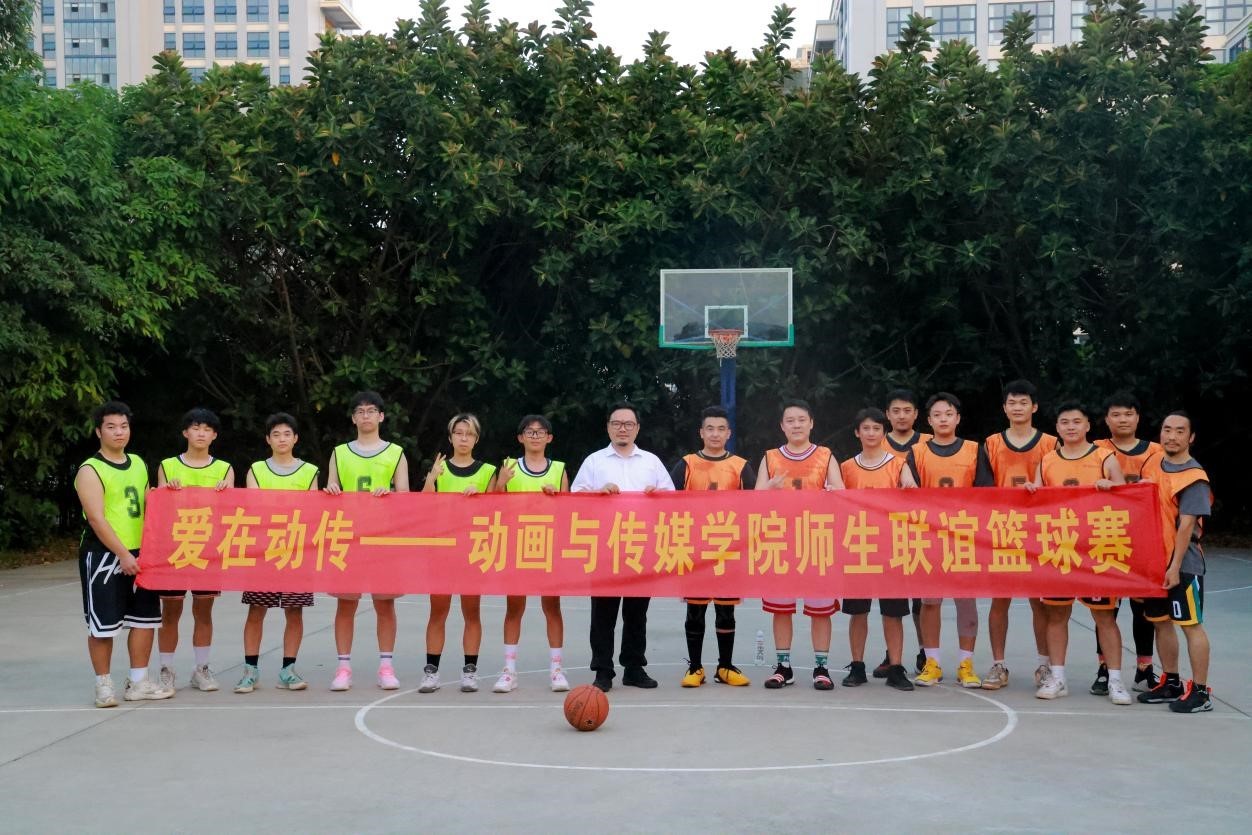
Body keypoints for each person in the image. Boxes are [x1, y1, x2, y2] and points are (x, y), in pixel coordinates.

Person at [1028, 402, 1130, 705]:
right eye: (1064, 422)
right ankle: (1058, 677)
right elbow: (1035, 503)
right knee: (1057, 615)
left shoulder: (1104, 457)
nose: (1070, 427)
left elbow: (1129, 500)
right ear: (1057, 428)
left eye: (1076, 421)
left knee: (1105, 617)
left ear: (1087, 425)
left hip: (1097, 548)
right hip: (1059, 548)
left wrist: (1113, 487)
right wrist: (1031, 492)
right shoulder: (1047, 461)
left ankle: (1115, 680)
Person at [74, 401, 173, 707]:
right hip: (104, 554)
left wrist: (171, 494)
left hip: (142, 553)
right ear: (98, 432)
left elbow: (148, 503)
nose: (119, 432)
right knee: (104, 624)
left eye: (124, 426)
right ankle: (104, 685)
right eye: (111, 427)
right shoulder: (90, 470)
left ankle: (139, 682)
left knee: (145, 619)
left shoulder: (139, 463)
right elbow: (96, 519)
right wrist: (122, 554)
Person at [571, 402, 675, 692]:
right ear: (608, 427)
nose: (622, 429)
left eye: (629, 424)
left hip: (641, 546)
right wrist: (598, 492)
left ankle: (634, 668)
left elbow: (673, 499)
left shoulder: (651, 462)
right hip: (605, 547)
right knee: (602, 615)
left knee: (636, 613)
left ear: (637, 428)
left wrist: (657, 494)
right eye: (617, 423)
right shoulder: (594, 462)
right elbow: (575, 498)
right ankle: (603, 670)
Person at [757, 398, 845, 691]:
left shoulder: (825, 456)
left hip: (817, 540)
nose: (796, 425)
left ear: (811, 423)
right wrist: (768, 489)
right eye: (790, 420)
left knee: (820, 609)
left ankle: (821, 667)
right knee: (781, 608)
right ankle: (783, 666)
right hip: (781, 541)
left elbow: (842, 494)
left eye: (801, 420)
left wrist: (833, 494)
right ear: (782, 426)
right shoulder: (770, 457)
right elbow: (753, 500)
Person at [325, 391, 410, 691]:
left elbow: (405, 497)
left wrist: (391, 496)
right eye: (360, 411)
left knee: (384, 604)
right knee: (346, 604)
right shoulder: (339, 452)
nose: (366, 416)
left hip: (382, 539)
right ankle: (343, 667)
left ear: (381, 416)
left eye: (371, 411)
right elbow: (330, 490)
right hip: (348, 538)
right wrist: (331, 492)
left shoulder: (395, 452)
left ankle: (386, 666)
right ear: (353, 418)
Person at [906, 392, 989, 688]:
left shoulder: (973, 450)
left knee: (966, 602)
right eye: (937, 415)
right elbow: (909, 495)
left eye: (948, 414)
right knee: (930, 602)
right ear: (929, 421)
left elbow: (985, 494)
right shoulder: (917, 452)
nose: (943, 419)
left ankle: (966, 664)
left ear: (958, 418)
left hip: (964, 537)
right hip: (929, 538)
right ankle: (932, 663)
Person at [669, 406, 756, 688]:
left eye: (721, 429)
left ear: (729, 433)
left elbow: (757, 506)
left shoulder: (741, 466)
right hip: (694, 550)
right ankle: (695, 667)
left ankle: (725, 667)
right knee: (695, 610)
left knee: (725, 610)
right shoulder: (686, 465)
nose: (715, 434)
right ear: (701, 432)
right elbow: (666, 503)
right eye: (710, 428)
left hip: (728, 550)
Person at [234, 413, 320, 694]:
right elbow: (255, 508)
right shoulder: (257, 469)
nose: (282, 439)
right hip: (264, 551)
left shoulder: (310, 471)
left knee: (294, 611)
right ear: (268, 439)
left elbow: (312, 512)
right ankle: (250, 671)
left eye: (287, 434)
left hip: (296, 551)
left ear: (295, 438)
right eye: (276, 434)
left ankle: (288, 670)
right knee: (256, 610)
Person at [978, 381, 1056, 692]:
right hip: (1003, 530)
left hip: (1039, 532)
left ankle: (1044, 664)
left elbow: (1057, 485)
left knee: (1040, 602)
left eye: (1024, 402)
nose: (1018, 407)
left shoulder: (1050, 444)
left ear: (1034, 407)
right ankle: (998, 664)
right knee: (1000, 600)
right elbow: (984, 488)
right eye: (1012, 403)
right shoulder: (992, 443)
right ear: (1004, 408)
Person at [1137, 412, 1214, 713]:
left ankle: (1202, 692)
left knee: (1190, 625)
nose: (1172, 436)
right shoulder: (1153, 462)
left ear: (1190, 437)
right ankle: (1171, 681)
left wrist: (1173, 567)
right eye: (1167, 429)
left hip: (1183, 564)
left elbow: (1186, 526)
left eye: (1180, 431)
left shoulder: (1194, 477)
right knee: (1160, 622)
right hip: (1153, 559)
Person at [154, 407, 234, 693]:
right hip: (175, 550)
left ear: (214, 436)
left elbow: (231, 512)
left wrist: (226, 494)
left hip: (208, 551)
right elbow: (159, 510)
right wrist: (168, 491)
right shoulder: (168, 466)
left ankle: (201, 669)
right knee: (170, 612)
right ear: (185, 432)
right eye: (196, 428)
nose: (201, 433)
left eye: (207, 429)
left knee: (203, 611)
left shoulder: (224, 469)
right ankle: (166, 670)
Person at [491, 414, 568, 694]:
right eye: (529, 431)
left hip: (548, 546)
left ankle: (556, 669)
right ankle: (509, 671)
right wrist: (501, 484)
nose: (535, 436)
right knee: (514, 609)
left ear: (549, 437)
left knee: (552, 608)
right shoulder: (509, 467)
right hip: (517, 546)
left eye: (540, 431)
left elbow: (570, 511)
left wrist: (557, 497)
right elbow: (491, 508)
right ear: (520, 437)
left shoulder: (558, 469)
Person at [421, 413, 498, 693]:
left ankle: (470, 671)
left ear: (476, 439)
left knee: (471, 612)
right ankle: (431, 671)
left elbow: (497, 510)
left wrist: (482, 495)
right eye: (459, 433)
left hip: (473, 550)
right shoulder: (440, 468)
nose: (464, 438)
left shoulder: (487, 471)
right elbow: (422, 506)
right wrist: (431, 478)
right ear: (450, 437)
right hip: (442, 551)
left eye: (469, 434)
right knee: (437, 612)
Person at [1094, 391, 1165, 694]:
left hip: (1142, 540)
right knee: (1105, 609)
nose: (1122, 419)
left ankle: (1144, 668)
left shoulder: (1156, 451)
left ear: (1137, 417)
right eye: (1116, 414)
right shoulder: (1095, 449)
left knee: (1143, 608)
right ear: (1106, 419)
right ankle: (1104, 668)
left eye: (1128, 414)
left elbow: (1164, 490)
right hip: (1104, 537)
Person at [839, 407, 914, 691]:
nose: (871, 433)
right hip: (858, 547)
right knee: (858, 611)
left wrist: (910, 487)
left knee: (893, 612)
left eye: (876, 428)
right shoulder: (846, 467)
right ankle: (857, 666)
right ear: (857, 433)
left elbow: (912, 495)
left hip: (891, 547)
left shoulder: (899, 464)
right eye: (866, 428)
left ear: (884, 433)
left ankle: (895, 667)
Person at [882, 388, 930, 676]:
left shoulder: (929, 443)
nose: (901, 416)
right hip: (886, 533)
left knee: (921, 600)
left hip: (922, 531)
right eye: (896, 411)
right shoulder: (876, 441)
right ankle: (891, 655)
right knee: (891, 600)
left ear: (916, 414)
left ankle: (926, 652)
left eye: (907, 410)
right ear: (887, 415)